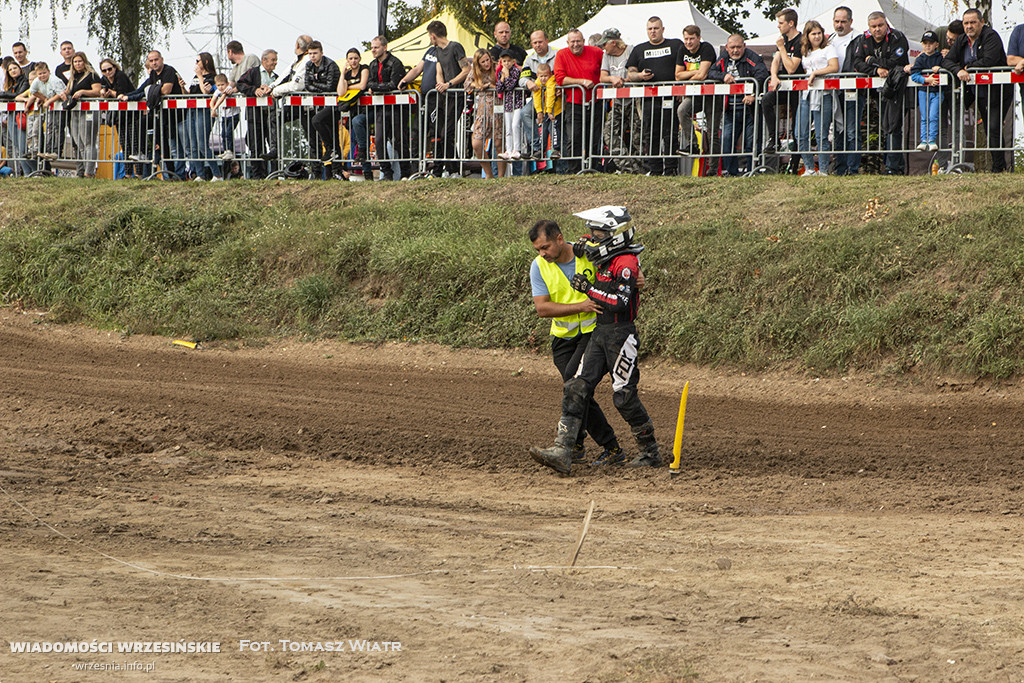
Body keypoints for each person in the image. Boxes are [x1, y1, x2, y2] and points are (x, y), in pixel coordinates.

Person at [530, 206, 660, 476]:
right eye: (593, 232)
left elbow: (621, 301)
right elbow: (581, 244)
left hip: (620, 334)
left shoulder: (625, 263)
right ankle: (563, 450)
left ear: (613, 235)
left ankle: (649, 451)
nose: (593, 238)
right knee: (575, 385)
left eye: (599, 233)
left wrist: (589, 290)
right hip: (598, 333)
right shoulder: (596, 254)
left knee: (623, 397)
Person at [528, 219, 624, 467]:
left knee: (575, 385)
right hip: (562, 339)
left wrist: (638, 276)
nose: (543, 253)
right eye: (538, 249)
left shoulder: (588, 253)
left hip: (593, 333)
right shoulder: (538, 267)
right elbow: (542, 308)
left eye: (546, 247)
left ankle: (597, 447)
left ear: (560, 239)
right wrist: (579, 306)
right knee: (579, 392)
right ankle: (582, 446)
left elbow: (622, 262)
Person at [943, 9, 1012, 172]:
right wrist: (958, 70)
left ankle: (999, 167)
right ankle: (995, 166)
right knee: (988, 128)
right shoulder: (961, 40)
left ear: (981, 22)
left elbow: (989, 60)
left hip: (997, 89)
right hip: (977, 90)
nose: (969, 26)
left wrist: (968, 67)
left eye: (973, 22)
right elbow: (947, 61)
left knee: (993, 127)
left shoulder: (991, 36)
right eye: (966, 23)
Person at [853, 11, 909, 175]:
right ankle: (895, 166)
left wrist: (871, 60)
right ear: (869, 27)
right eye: (873, 26)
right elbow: (857, 62)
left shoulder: (898, 37)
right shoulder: (862, 39)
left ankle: (893, 167)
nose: (877, 29)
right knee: (887, 127)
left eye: (880, 25)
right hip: (877, 91)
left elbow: (895, 62)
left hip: (897, 88)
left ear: (886, 24)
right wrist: (876, 69)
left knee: (894, 126)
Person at [626, 17, 683, 176]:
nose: (653, 31)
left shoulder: (675, 44)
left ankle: (671, 169)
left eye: (656, 28)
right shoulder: (639, 49)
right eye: (650, 29)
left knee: (670, 133)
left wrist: (681, 90)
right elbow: (630, 73)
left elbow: (684, 68)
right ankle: (655, 169)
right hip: (649, 97)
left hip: (671, 96)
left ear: (663, 29)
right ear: (646, 30)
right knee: (651, 133)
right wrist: (640, 76)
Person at [708, 34, 769, 176]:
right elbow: (711, 72)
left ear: (744, 46)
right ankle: (731, 172)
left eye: (738, 47)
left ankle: (752, 171)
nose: (735, 51)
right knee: (727, 141)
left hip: (750, 110)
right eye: (732, 47)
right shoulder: (723, 57)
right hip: (730, 109)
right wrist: (723, 76)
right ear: (727, 47)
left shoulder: (752, 57)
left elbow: (762, 75)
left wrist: (753, 94)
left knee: (751, 143)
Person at [121, 50, 186, 178]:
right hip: (161, 114)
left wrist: (151, 91)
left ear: (161, 59)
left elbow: (166, 90)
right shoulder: (153, 75)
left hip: (176, 115)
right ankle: (144, 153)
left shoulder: (169, 71)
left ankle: (179, 175)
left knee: (174, 147)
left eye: (156, 60)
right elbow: (142, 91)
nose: (154, 63)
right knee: (145, 126)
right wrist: (126, 96)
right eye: (151, 61)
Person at [554, 29, 604, 173]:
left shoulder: (596, 52)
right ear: (567, 43)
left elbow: (606, 69)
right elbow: (560, 79)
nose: (576, 44)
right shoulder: (562, 54)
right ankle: (574, 170)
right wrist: (581, 81)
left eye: (578, 41)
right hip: (574, 103)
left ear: (583, 41)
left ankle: (592, 169)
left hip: (595, 102)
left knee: (594, 137)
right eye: (572, 42)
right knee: (574, 138)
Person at [796, 21, 839, 176]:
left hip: (824, 94)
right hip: (806, 94)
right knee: (800, 132)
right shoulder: (805, 51)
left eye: (819, 33)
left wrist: (816, 73)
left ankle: (822, 170)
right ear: (807, 36)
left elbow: (834, 66)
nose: (816, 36)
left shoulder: (828, 48)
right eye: (813, 34)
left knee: (822, 133)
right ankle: (809, 168)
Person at [598, 28, 644, 174]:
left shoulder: (631, 50)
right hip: (618, 101)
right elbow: (602, 77)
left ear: (613, 43)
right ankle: (627, 166)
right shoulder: (606, 56)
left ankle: (642, 167)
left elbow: (639, 73)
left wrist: (627, 80)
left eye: (604, 44)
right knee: (609, 132)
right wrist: (612, 78)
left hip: (635, 100)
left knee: (638, 136)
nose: (603, 48)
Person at [760, 9, 803, 161]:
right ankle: (774, 139)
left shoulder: (801, 40)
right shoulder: (782, 38)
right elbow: (776, 61)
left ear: (791, 23)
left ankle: (796, 161)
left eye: (781, 23)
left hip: (799, 87)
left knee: (796, 127)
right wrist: (773, 76)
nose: (778, 26)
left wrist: (783, 48)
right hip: (785, 86)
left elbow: (791, 69)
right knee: (767, 99)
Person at [367, 35, 412, 181]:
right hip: (381, 107)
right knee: (379, 140)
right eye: (372, 47)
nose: (373, 50)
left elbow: (393, 84)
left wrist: (376, 88)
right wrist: (377, 87)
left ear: (384, 48)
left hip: (397, 108)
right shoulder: (373, 64)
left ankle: (406, 172)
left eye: (376, 47)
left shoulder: (395, 63)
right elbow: (369, 83)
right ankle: (386, 172)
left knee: (400, 140)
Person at [430, 21, 470, 179]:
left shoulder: (455, 47)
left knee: (448, 133)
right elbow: (439, 70)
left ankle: (455, 169)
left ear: (433, 36)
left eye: (430, 37)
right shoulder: (437, 51)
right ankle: (450, 167)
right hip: (444, 96)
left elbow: (466, 69)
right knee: (440, 133)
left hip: (456, 95)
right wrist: (440, 84)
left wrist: (450, 84)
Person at [674, 24, 716, 165]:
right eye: (686, 39)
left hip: (711, 94)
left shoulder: (706, 48)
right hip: (694, 93)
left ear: (699, 38)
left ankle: (713, 166)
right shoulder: (682, 49)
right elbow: (678, 76)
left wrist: (689, 77)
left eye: (691, 38)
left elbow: (703, 74)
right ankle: (693, 145)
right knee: (682, 110)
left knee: (712, 131)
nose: (688, 42)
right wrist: (694, 73)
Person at [829, 6, 863, 176]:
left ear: (851, 21)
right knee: (838, 130)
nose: (839, 25)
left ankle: (852, 168)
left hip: (853, 89)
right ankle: (839, 167)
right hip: (835, 91)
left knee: (851, 130)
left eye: (843, 21)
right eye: (836, 21)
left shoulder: (859, 38)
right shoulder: (829, 39)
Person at [58, 52, 102, 178]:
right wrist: (62, 94)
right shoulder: (73, 77)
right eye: (75, 62)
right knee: (79, 143)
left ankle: (90, 171)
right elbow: (67, 90)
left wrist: (83, 92)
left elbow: (97, 91)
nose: (78, 64)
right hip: (75, 112)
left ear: (85, 62)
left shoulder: (92, 75)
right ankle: (83, 170)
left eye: (80, 61)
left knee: (88, 141)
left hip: (88, 112)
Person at [98, 58, 144, 175]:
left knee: (135, 145)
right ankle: (128, 174)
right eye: (104, 70)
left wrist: (111, 93)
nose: (108, 72)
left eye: (109, 69)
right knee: (124, 145)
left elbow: (121, 94)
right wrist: (104, 92)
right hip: (119, 117)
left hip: (132, 114)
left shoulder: (121, 76)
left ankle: (139, 173)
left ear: (115, 67)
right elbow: (102, 90)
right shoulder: (104, 79)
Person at [303, 41, 343, 178]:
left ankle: (336, 166)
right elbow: (308, 85)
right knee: (326, 131)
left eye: (315, 53)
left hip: (333, 105)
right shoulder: (308, 65)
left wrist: (316, 85)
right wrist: (319, 86)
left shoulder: (331, 65)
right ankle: (333, 170)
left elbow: (331, 86)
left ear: (321, 53)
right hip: (320, 104)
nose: (312, 57)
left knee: (320, 123)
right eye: (310, 54)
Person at [236, 49, 278, 178]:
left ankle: (274, 173)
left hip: (271, 115)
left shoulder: (276, 77)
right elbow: (240, 84)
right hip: (255, 115)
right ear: (264, 60)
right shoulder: (253, 72)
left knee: (273, 145)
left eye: (276, 60)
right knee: (255, 145)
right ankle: (257, 175)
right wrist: (254, 90)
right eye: (273, 60)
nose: (275, 63)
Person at [185, 52, 224, 181]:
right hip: (192, 111)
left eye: (198, 61)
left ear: (205, 62)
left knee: (202, 145)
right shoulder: (194, 77)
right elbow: (190, 93)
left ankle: (217, 174)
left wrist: (200, 76)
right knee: (193, 145)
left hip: (204, 111)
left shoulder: (213, 77)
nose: (196, 64)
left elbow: (205, 91)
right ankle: (200, 174)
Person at [466, 49, 505, 178]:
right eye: (483, 62)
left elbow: (503, 83)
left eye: (487, 60)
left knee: (499, 144)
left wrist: (489, 85)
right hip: (482, 111)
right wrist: (477, 84)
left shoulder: (496, 67)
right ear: (478, 63)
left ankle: (500, 176)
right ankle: (489, 174)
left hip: (498, 107)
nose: (487, 63)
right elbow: (467, 84)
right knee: (476, 144)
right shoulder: (475, 72)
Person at [520, 30, 556, 165]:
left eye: (540, 42)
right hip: (538, 99)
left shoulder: (557, 54)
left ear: (547, 40)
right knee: (525, 113)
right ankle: (536, 148)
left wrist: (558, 87)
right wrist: (528, 82)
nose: (537, 45)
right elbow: (522, 78)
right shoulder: (529, 59)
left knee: (553, 121)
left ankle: (556, 151)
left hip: (555, 98)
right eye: (534, 43)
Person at [909, 31, 943, 152]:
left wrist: (940, 69)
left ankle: (932, 140)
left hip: (937, 92)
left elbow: (947, 72)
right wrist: (926, 79)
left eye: (931, 43)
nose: (928, 46)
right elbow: (914, 75)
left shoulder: (940, 58)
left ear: (936, 44)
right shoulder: (920, 58)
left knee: (933, 115)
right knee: (924, 117)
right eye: (925, 43)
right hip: (923, 91)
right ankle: (924, 140)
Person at [339, 48, 369, 180]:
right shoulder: (346, 74)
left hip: (367, 111)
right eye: (350, 59)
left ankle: (368, 172)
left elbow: (362, 85)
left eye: (355, 58)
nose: (353, 61)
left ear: (360, 59)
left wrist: (349, 87)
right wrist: (342, 74)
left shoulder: (364, 69)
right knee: (355, 141)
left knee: (362, 143)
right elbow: (340, 92)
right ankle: (366, 171)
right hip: (353, 111)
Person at [26, 61, 63, 163]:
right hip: (50, 107)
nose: (42, 75)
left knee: (56, 127)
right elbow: (33, 91)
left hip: (60, 105)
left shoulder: (54, 80)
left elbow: (61, 94)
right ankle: (46, 150)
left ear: (49, 71)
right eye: (40, 73)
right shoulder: (37, 81)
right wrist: (43, 98)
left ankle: (55, 151)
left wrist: (49, 101)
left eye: (44, 73)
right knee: (47, 127)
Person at [3, 61, 34, 175]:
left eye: (15, 68)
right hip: (11, 115)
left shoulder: (25, 81)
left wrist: (2, 94)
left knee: (23, 147)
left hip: (21, 115)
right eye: (10, 70)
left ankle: (34, 171)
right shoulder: (10, 85)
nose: (13, 71)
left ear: (20, 69)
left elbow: (18, 94)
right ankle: (26, 173)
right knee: (16, 146)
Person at [496, 50, 524, 161]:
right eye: (504, 61)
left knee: (515, 125)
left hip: (517, 102)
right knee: (508, 128)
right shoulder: (500, 72)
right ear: (501, 62)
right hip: (507, 103)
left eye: (509, 61)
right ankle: (508, 150)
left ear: (513, 61)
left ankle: (516, 149)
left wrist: (506, 75)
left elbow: (510, 86)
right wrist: (502, 77)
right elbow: (499, 88)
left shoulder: (516, 71)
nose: (506, 63)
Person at [533, 62, 561, 161]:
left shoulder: (551, 83)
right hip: (546, 112)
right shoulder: (537, 83)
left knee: (554, 129)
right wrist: (539, 111)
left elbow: (550, 96)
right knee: (544, 130)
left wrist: (549, 111)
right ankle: (541, 150)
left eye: (546, 76)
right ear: (537, 75)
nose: (544, 78)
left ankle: (556, 149)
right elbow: (536, 97)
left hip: (555, 111)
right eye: (541, 76)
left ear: (550, 75)